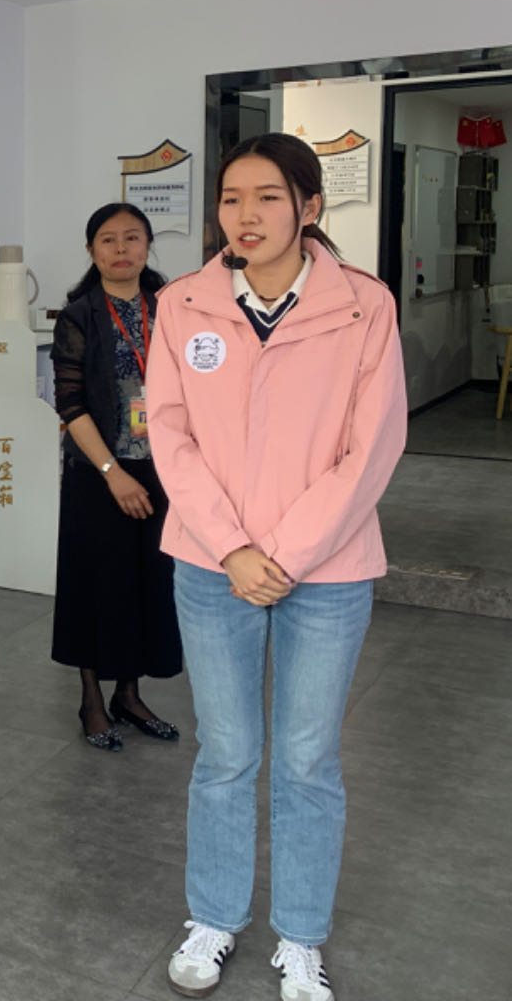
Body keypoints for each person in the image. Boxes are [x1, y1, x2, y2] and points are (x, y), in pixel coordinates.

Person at [149, 134, 406, 1001]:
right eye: (231, 198)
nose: (245, 215)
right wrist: (233, 548)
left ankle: (301, 938)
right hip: (211, 563)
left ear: (310, 206)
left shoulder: (363, 306)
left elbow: (373, 446)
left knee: (306, 760)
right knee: (224, 753)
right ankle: (215, 917)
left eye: (267, 197)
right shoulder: (184, 303)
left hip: (324, 572)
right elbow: (170, 434)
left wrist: (285, 554)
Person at [49, 202, 181, 751]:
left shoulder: (171, 308)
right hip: (97, 473)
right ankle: (91, 700)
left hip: (161, 470)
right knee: (93, 584)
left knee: (146, 583)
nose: (121, 249)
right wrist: (112, 473)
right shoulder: (78, 316)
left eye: (132, 238)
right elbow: (71, 404)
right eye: (108, 239)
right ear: (91, 251)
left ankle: (129, 694)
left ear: (148, 245)